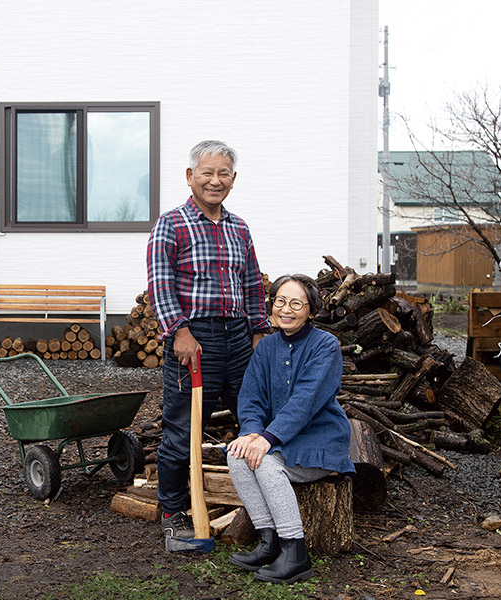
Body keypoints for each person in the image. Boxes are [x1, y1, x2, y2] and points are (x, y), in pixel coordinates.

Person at [146, 140, 270, 542]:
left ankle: (265, 506)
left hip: (238, 337)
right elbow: (160, 285)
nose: (215, 181)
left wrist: (257, 333)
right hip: (194, 339)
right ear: (190, 177)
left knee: (252, 421)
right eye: (207, 173)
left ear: (233, 180)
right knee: (184, 430)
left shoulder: (239, 227)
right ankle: (174, 511)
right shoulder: (172, 224)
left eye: (223, 174)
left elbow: (252, 284)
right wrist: (179, 332)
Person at [225, 274, 355, 584]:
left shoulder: (325, 345)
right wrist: (252, 433)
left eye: (296, 303)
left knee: (266, 464)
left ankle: (296, 554)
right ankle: (270, 543)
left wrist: (267, 439)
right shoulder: (267, 346)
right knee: (237, 454)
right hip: (279, 438)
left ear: (311, 309)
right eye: (280, 302)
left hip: (320, 439)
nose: (286, 309)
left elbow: (306, 401)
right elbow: (251, 396)